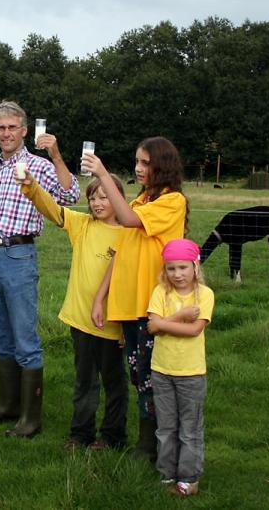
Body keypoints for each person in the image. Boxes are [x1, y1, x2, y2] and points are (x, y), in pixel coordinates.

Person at [0, 102, 80, 438]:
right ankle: (8, 406)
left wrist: (56, 155)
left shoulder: (39, 166)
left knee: (25, 339)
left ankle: (30, 419)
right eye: (1, 128)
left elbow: (70, 195)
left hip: (19, 255)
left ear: (23, 131)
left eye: (12, 127)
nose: (6, 133)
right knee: (0, 336)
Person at [84, 136, 187, 460]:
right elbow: (121, 252)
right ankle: (150, 442)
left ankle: (155, 446)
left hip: (152, 306)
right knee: (140, 375)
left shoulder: (172, 202)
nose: (138, 168)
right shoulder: (142, 200)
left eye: (145, 163)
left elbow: (128, 220)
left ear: (162, 166)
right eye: (137, 162)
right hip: (130, 306)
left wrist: (102, 173)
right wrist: (101, 297)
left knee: (152, 377)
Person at [19, 151, 129, 449]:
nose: (97, 203)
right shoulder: (83, 225)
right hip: (80, 320)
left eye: (104, 197)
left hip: (113, 325)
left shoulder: (129, 235)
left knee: (115, 383)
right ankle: (81, 434)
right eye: (93, 198)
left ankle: (113, 436)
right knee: (84, 381)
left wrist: (125, 326)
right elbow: (52, 209)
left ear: (119, 198)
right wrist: (31, 186)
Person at [146, 238, 214, 497]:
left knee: (190, 428)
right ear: (165, 269)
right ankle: (167, 473)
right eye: (171, 268)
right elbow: (152, 328)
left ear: (195, 267)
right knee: (165, 426)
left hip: (191, 373)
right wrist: (180, 317)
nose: (177, 274)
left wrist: (163, 323)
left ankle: (189, 478)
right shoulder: (160, 292)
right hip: (161, 370)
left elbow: (194, 330)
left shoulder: (204, 294)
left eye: (183, 267)